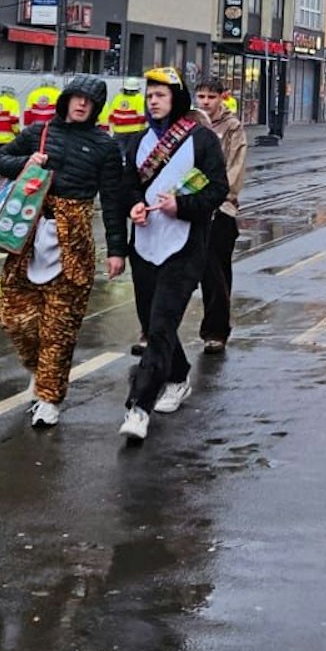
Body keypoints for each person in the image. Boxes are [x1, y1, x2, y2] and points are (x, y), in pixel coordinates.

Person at [0, 75, 137, 428]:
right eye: (76, 98)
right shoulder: (39, 132)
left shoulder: (104, 146)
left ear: (96, 108)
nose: (81, 105)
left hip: (73, 243)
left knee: (59, 329)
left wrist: (117, 251)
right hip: (27, 234)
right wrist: (27, 163)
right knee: (15, 317)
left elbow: (113, 200)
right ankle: (40, 370)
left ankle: (49, 399)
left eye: (89, 101)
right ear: (65, 100)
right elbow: (1, 158)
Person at [120, 68, 228, 441]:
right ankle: (179, 377)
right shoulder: (138, 142)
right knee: (153, 324)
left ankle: (138, 407)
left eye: (161, 95)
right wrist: (134, 205)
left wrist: (180, 206)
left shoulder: (201, 140)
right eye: (149, 95)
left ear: (177, 99)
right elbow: (129, 184)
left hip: (183, 247)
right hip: (145, 247)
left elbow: (217, 190)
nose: (153, 100)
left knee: (161, 326)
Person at [196, 79, 247, 355]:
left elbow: (235, 167)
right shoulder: (190, 123)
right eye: (201, 96)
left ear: (221, 98)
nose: (205, 102)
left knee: (215, 273)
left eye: (210, 97)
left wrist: (217, 198)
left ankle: (216, 331)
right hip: (189, 206)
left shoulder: (232, 128)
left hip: (220, 209)